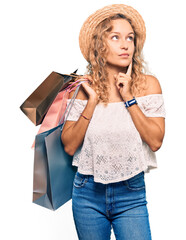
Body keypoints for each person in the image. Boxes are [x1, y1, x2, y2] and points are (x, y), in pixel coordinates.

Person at [61, 4, 166, 240]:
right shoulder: (83, 89)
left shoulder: (148, 85)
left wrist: (129, 97)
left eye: (130, 37)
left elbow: (156, 140)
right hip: (87, 193)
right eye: (115, 37)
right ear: (100, 45)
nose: (125, 44)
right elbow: (68, 146)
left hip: (131, 194)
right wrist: (92, 101)